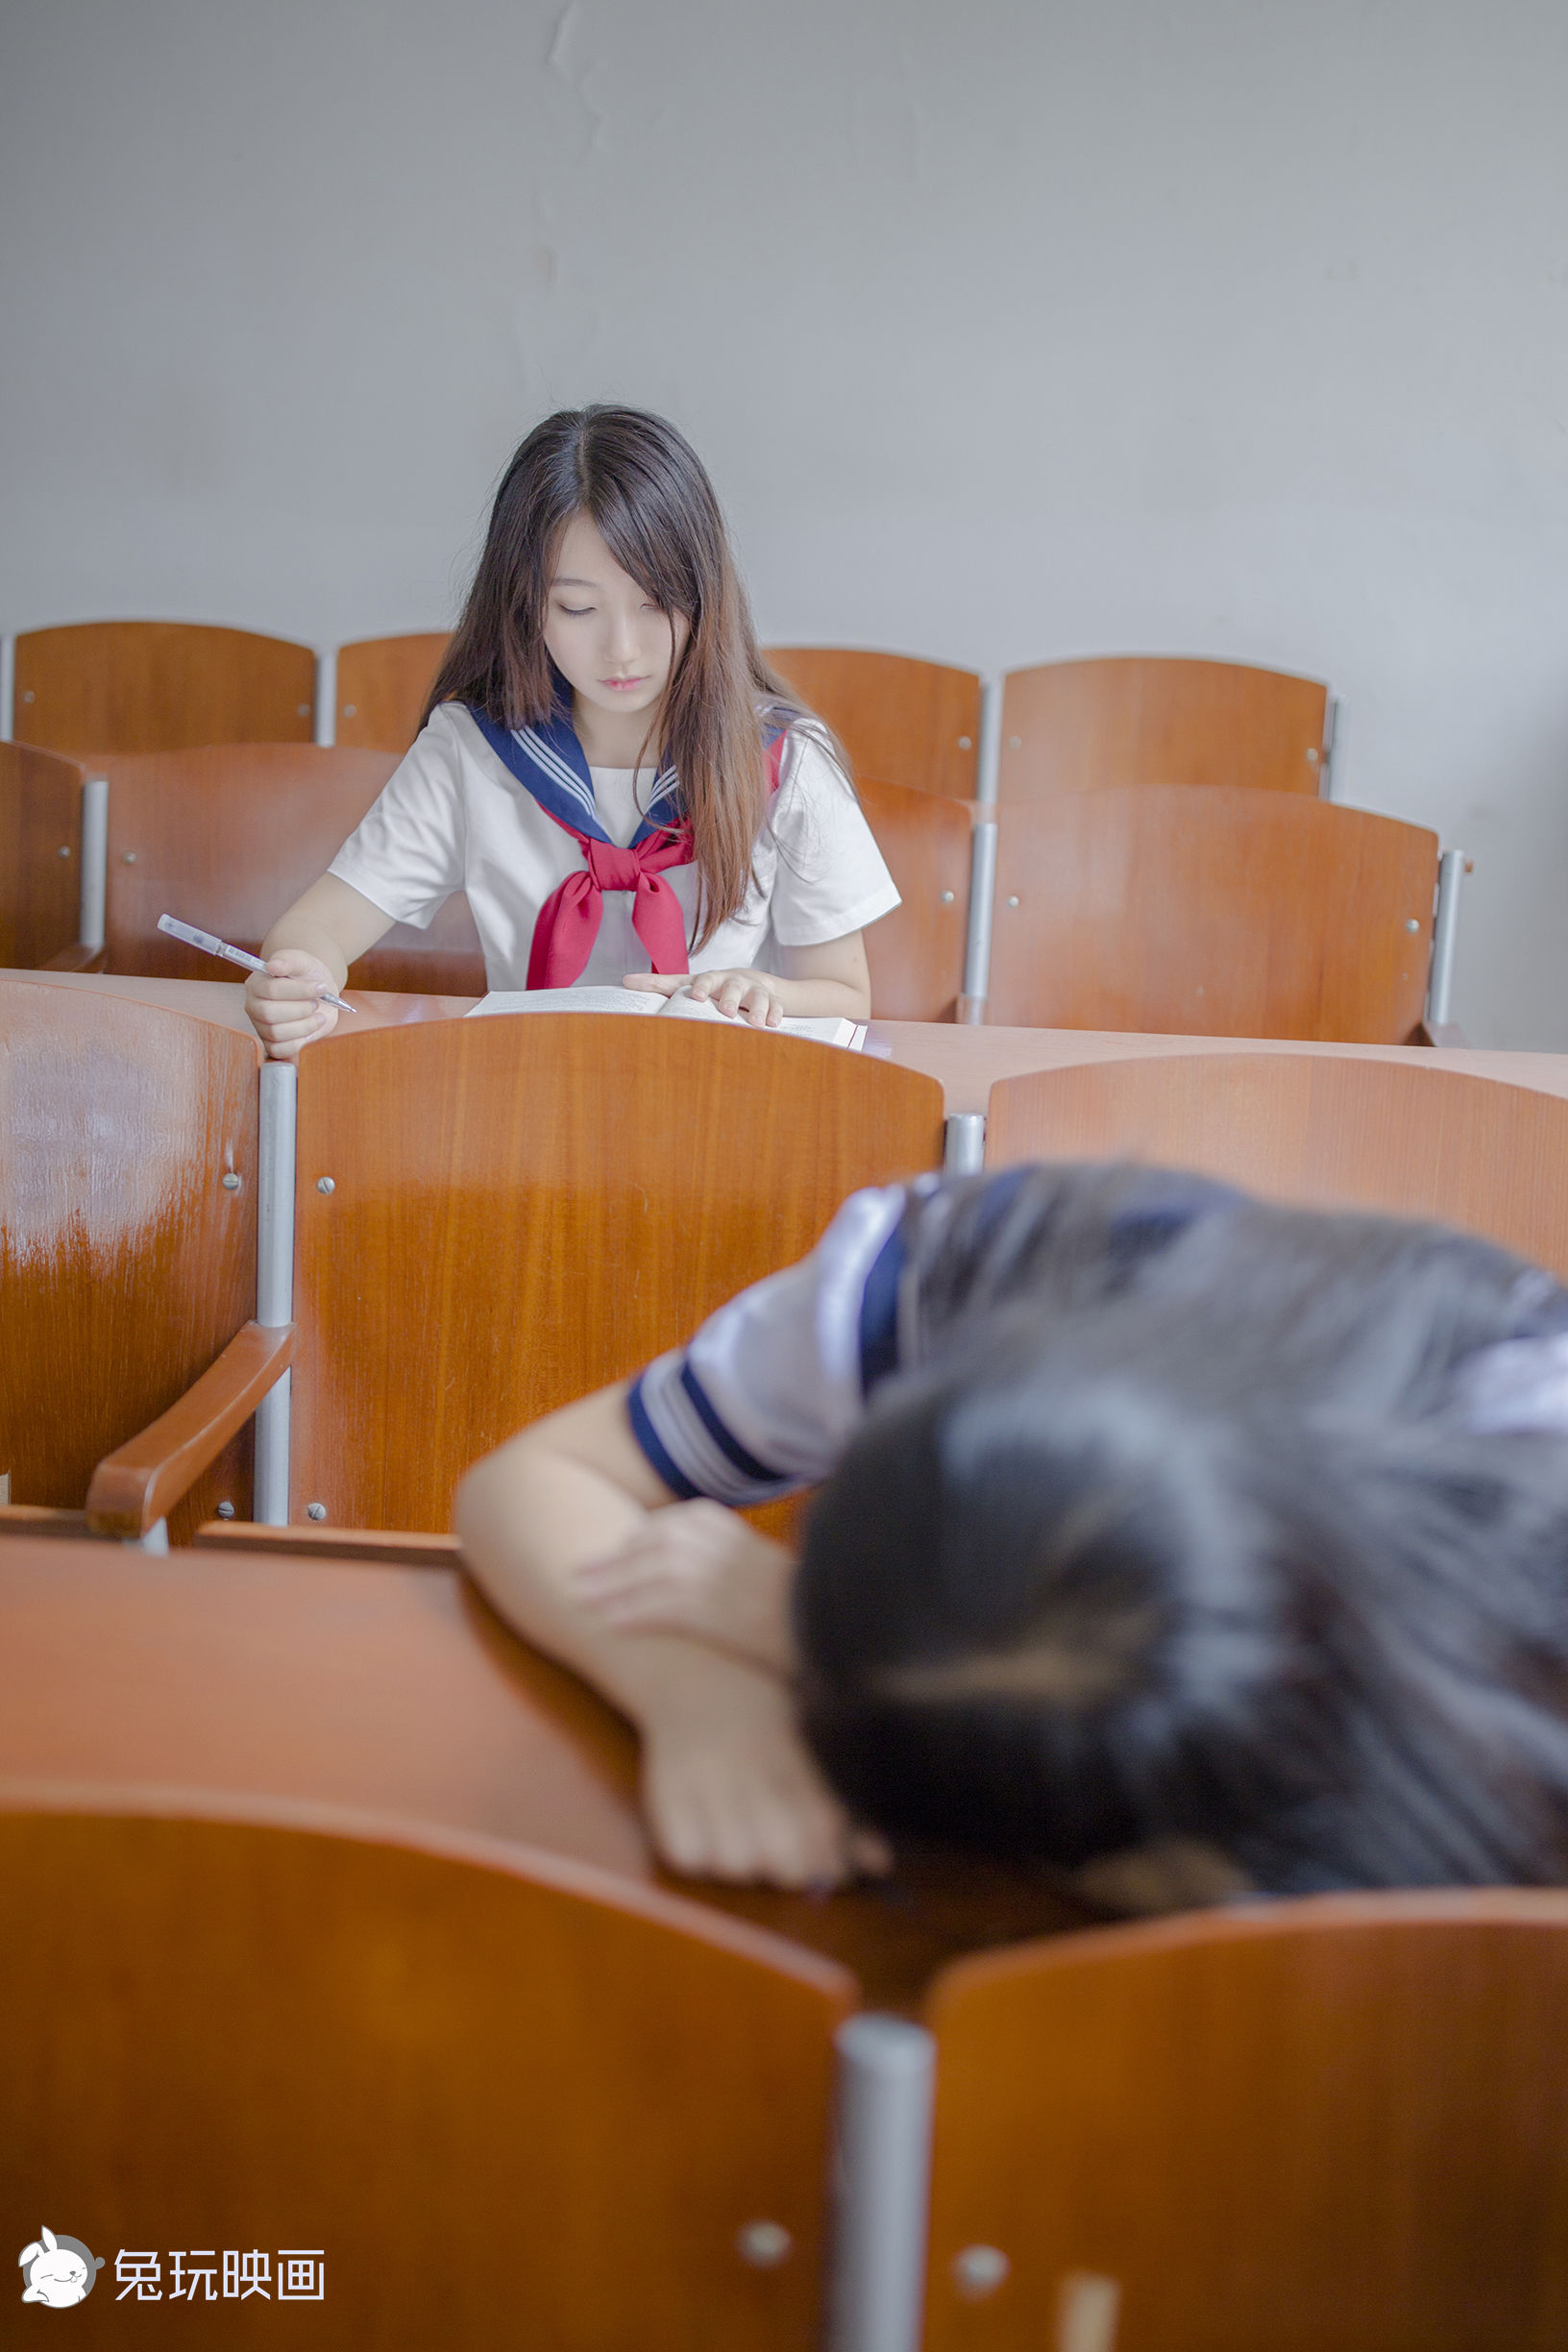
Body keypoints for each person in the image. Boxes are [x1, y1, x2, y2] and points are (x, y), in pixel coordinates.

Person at [456, 1163, 1568, 1907]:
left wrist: (787, 1636)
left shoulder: (1520, 1484)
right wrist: (691, 1686)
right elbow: (534, 1480)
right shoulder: (927, 1293)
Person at [245, 406, 899, 1057]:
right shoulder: (473, 751)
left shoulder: (784, 762)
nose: (622, 649)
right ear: (526, 602)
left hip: (718, 1102)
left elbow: (845, 993)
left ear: (706, 594)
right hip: (527, 1100)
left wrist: (763, 990)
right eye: (578, 608)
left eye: (656, 603)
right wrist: (299, 974)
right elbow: (318, 927)